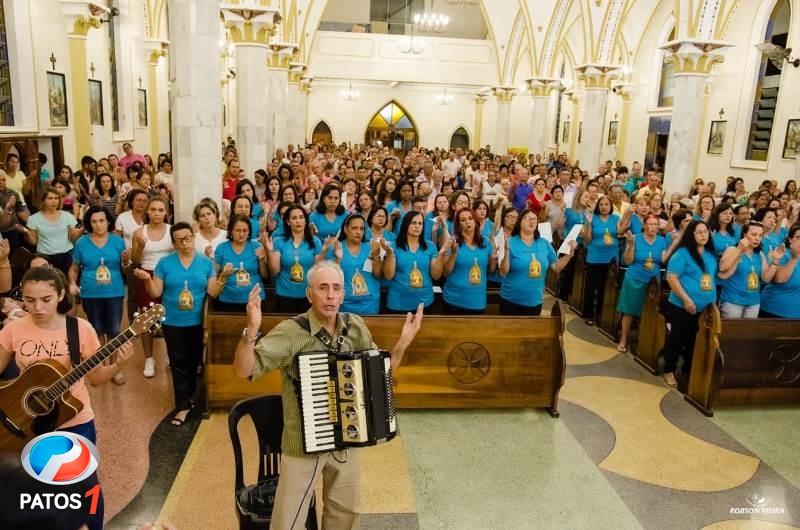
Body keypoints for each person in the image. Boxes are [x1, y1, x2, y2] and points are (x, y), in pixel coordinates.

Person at [233, 261, 423, 530]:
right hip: (302, 445)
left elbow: (379, 374)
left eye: (336, 288)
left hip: (348, 441)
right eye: (323, 288)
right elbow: (243, 370)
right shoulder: (292, 332)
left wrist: (403, 341)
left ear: (344, 294)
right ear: (310, 294)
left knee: (346, 513)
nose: (330, 295)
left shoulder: (355, 327)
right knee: (287, 523)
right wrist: (250, 333)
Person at [0, 267, 134, 530]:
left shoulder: (80, 329)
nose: (37, 307)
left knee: (87, 488)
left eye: (46, 299)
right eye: (29, 300)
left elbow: (95, 378)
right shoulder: (14, 329)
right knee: (34, 491)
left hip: (74, 421)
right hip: (24, 422)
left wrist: (118, 365)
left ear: (61, 294)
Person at [134, 222, 223, 426]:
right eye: (179, 240)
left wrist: (223, 278)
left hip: (197, 322)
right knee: (177, 363)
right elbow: (155, 292)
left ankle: (190, 396)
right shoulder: (165, 263)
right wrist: (147, 279)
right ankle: (182, 406)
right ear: (174, 244)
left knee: (194, 362)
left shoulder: (205, 263)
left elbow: (213, 292)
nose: (185, 243)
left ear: (194, 237)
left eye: (188, 238)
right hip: (173, 321)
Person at [68, 206, 130, 384]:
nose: (98, 225)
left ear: (108, 221)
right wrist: (72, 283)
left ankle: (114, 369)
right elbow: (74, 268)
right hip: (90, 292)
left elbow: (125, 269)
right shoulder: (82, 243)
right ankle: (100, 369)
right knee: (97, 331)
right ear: (89, 223)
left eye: (102, 220)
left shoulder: (118, 241)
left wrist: (126, 261)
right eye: (94, 221)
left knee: (114, 330)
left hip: (114, 291)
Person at [662, 220, 718, 388]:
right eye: (699, 232)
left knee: (695, 340)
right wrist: (686, 299)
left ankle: (688, 370)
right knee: (678, 339)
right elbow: (671, 278)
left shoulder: (710, 255)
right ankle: (669, 369)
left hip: (705, 308)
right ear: (691, 235)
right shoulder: (683, 253)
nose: (703, 235)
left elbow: (712, 278)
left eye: (706, 232)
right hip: (682, 305)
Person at [616, 215, 675, 353]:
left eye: (656, 224)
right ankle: (623, 340)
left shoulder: (661, 240)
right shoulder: (635, 238)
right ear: (644, 225)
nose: (653, 227)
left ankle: (643, 342)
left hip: (653, 281)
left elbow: (663, 259)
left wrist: (673, 245)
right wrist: (630, 244)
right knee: (629, 311)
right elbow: (628, 260)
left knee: (648, 312)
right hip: (634, 278)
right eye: (650, 224)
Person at [499, 208, 574, 315]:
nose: (532, 221)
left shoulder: (544, 243)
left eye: (534, 219)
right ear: (520, 221)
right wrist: (506, 250)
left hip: (534, 301)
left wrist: (570, 254)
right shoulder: (510, 242)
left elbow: (556, 267)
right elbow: (503, 272)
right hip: (511, 299)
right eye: (528, 218)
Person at [130, 197, 172, 378]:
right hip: (146, 275)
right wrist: (139, 246)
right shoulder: (140, 232)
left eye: (160, 210)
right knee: (146, 317)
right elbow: (136, 261)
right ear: (147, 211)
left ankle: (171, 354)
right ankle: (149, 358)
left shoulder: (172, 231)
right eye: (153, 209)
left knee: (169, 317)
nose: (156, 213)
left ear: (166, 212)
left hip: (168, 275)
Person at [383, 211, 446, 313]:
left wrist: (441, 254)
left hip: (424, 302)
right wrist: (390, 254)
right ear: (405, 225)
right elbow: (388, 276)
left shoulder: (430, 246)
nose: (417, 226)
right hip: (397, 303)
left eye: (420, 223)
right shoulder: (394, 246)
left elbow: (436, 276)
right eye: (413, 223)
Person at [265, 205, 323, 313]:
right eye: (294, 218)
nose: (298, 221)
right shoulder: (278, 241)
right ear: (288, 222)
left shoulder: (315, 241)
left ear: (306, 220)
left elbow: (317, 271)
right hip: (284, 294)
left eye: (301, 217)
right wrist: (269, 251)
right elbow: (274, 272)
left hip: (308, 295)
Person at [441, 207, 497, 314]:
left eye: (470, 218)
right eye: (463, 220)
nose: (467, 222)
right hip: (454, 301)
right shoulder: (452, 242)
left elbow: (490, 271)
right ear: (458, 225)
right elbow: (446, 272)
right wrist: (453, 254)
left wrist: (494, 259)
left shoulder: (485, 242)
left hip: (477, 302)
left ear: (476, 221)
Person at [717, 221, 778, 318]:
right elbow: (723, 267)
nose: (757, 238)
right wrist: (740, 250)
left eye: (760, 235)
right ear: (744, 234)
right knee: (732, 332)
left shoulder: (760, 254)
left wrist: (775, 262)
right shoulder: (733, 249)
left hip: (753, 302)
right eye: (754, 234)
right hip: (732, 301)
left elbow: (766, 278)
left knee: (749, 333)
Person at [18, 187, 83, 275]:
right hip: (45, 257)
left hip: (67, 256)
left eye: (56, 198)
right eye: (50, 198)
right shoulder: (34, 219)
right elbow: (33, 242)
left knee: (67, 284)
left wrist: (82, 229)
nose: (54, 201)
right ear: (43, 200)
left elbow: (73, 238)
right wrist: (26, 232)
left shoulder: (67, 216)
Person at [331, 213, 383, 315]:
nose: (358, 232)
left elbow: (377, 275)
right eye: (354, 228)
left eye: (361, 229)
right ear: (346, 229)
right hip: (345, 305)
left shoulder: (371, 247)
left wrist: (376, 254)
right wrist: (337, 259)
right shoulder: (336, 248)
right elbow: (332, 278)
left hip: (370, 304)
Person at [213, 215, 268, 312]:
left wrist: (262, 260)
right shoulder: (221, 248)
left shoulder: (256, 246)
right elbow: (214, 275)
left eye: (245, 230)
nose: (241, 234)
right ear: (231, 231)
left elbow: (265, 275)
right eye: (238, 230)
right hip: (227, 299)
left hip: (254, 299)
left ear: (249, 232)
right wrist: (223, 275)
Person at [581, 196, 621, 325]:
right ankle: (587, 314)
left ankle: (600, 314)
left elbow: (620, 232)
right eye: (602, 204)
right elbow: (587, 239)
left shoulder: (615, 218)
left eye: (607, 204)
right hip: (595, 257)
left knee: (606, 287)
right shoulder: (593, 219)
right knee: (591, 287)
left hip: (611, 258)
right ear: (598, 206)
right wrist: (588, 223)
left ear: (611, 207)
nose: (604, 207)